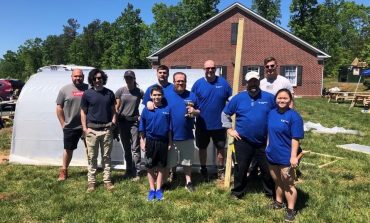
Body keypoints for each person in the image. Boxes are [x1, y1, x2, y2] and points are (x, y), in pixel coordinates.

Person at [222, 71, 275, 199]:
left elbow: (277, 113)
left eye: (255, 81)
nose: (253, 84)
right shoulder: (238, 98)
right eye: (250, 82)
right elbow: (225, 113)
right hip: (243, 140)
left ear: (259, 81)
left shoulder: (269, 97)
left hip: (264, 140)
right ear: (246, 83)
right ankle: (237, 192)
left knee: (267, 169)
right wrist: (229, 129)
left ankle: (271, 193)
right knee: (241, 168)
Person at [265, 88, 304, 222]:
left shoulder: (294, 117)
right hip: (272, 154)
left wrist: (293, 156)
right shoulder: (271, 113)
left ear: (290, 100)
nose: (282, 100)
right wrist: (267, 147)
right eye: (279, 98)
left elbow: (295, 138)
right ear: (275, 100)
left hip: (286, 157)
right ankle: (278, 202)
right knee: (277, 181)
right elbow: (270, 132)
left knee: (288, 183)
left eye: (285, 98)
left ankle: (291, 210)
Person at [191, 59, 232, 180]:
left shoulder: (224, 83)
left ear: (216, 69)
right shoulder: (198, 84)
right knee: (202, 148)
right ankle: (203, 169)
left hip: (219, 125)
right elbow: (191, 101)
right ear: (204, 69)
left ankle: (221, 171)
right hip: (202, 124)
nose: (210, 70)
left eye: (212, 68)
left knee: (221, 148)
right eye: (207, 68)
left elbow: (231, 100)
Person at [81, 69, 117, 193]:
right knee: (92, 157)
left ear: (103, 79)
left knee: (106, 157)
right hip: (92, 131)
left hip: (106, 130)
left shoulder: (109, 93)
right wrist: (85, 128)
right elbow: (83, 112)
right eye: (95, 78)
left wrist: (113, 123)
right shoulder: (87, 94)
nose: (97, 80)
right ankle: (91, 182)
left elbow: (114, 110)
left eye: (100, 78)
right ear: (91, 80)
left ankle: (107, 181)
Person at [166, 72, 200, 192]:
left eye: (182, 81)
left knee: (187, 161)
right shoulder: (166, 95)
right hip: (171, 135)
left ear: (186, 82)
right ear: (174, 82)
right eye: (178, 81)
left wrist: (194, 111)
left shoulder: (192, 95)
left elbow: (199, 111)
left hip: (187, 134)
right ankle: (172, 175)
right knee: (171, 159)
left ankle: (188, 182)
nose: (180, 83)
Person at [139, 86, 172, 201]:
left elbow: (169, 129)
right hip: (150, 141)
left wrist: (170, 142)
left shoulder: (167, 109)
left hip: (163, 141)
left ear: (162, 96)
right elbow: (142, 127)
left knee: (161, 166)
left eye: (159, 95)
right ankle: (151, 189)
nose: (157, 97)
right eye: (155, 95)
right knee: (150, 166)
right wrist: (142, 141)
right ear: (151, 96)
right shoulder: (146, 110)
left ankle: (158, 189)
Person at [56, 69, 88, 181]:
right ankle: (64, 170)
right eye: (75, 76)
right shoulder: (64, 90)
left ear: (83, 77)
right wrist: (63, 123)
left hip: (86, 126)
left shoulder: (89, 88)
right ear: (71, 77)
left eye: (80, 76)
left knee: (90, 148)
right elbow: (59, 107)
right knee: (68, 149)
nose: (78, 78)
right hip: (70, 126)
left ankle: (91, 170)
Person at [115, 70, 144, 181]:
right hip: (122, 122)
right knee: (126, 148)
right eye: (126, 77)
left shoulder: (139, 92)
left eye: (130, 77)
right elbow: (116, 107)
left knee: (135, 148)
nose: (128, 79)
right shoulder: (120, 91)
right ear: (124, 79)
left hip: (134, 122)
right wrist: (115, 121)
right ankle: (128, 170)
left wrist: (142, 115)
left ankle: (137, 171)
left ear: (134, 78)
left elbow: (147, 102)